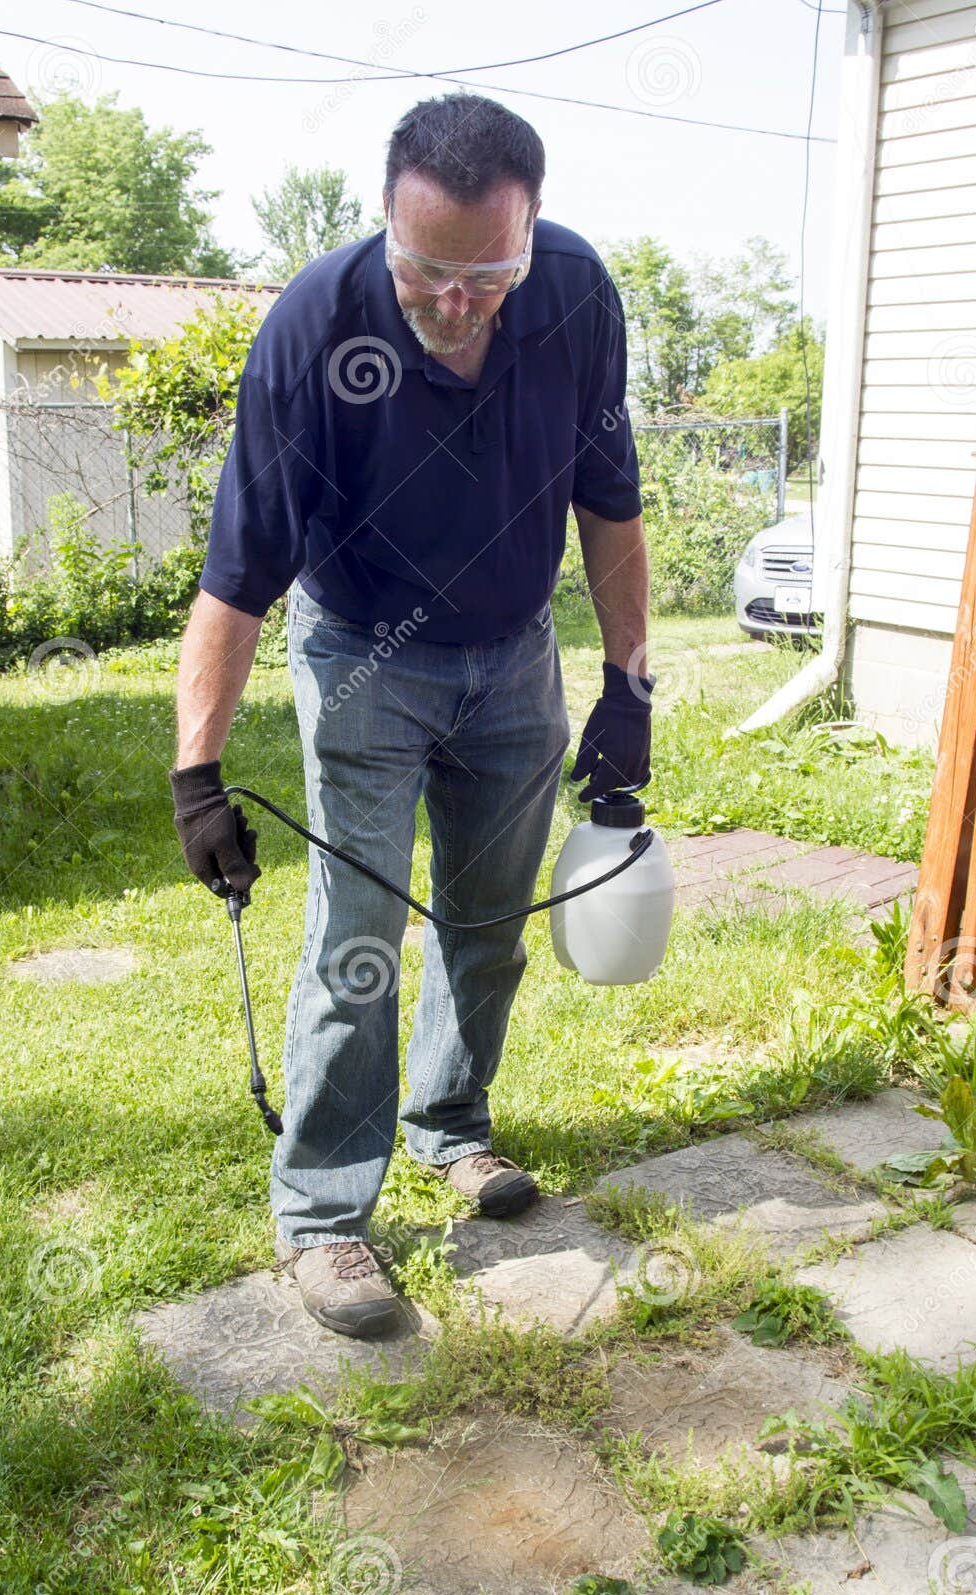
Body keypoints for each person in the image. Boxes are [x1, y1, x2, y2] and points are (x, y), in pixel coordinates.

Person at [169, 93, 654, 1339]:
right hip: (362, 655)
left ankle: (450, 1126)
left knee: (487, 920)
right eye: (426, 272)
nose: (456, 302)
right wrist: (197, 771)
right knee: (362, 928)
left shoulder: (578, 301)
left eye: (487, 273)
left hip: (513, 652)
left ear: (532, 234)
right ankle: (325, 1216)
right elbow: (238, 574)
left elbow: (609, 502)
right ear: (386, 227)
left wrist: (631, 682)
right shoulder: (312, 332)